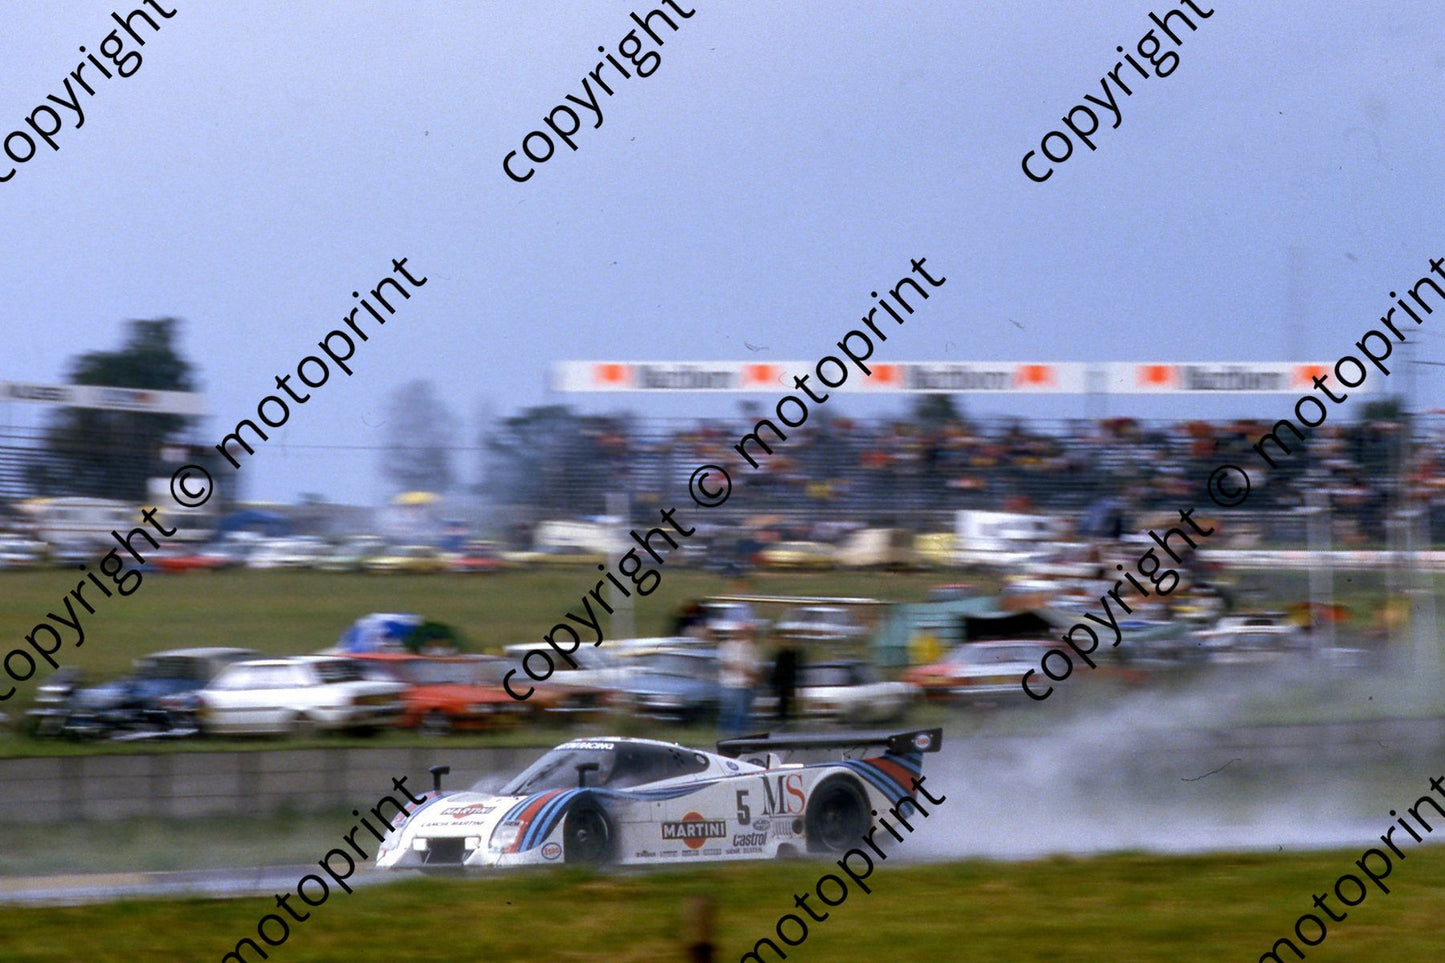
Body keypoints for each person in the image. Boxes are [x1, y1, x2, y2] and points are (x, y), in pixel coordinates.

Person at [715, 622, 760, 736]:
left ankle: (738, 734)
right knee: (729, 712)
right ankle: (726, 734)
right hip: (730, 684)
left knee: (742, 713)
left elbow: (754, 667)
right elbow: (725, 664)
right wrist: (741, 668)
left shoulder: (750, 647)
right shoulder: (726, 645)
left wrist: (750, 674)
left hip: (745, 685)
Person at [770, 641, 800, 725]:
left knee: (783, 698)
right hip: (786, 680)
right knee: (784, 698)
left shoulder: (782, 654)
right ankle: (782, 715)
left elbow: (778, 668)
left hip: (782, 680)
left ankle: (781, 714)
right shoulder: (791, 655)